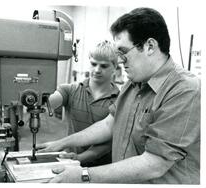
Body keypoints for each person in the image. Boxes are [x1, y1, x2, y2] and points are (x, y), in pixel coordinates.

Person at [37, 7, 200, 184]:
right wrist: (60, 143)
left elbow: (155, 163)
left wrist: (84, 174)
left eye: (123, 52)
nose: (120, 61)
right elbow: (109, 124)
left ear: (150, 46)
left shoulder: (184, 90)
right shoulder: (133, 83)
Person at [46, 40, 120, 167]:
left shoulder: (120, 99)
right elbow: (47, 103)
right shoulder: (70, 90)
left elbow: (109, 142)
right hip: (70, 162)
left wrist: (80, 158)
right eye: (93, 64)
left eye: (104, 66)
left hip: (104, 168)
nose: (97, 70)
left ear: (114, 67)